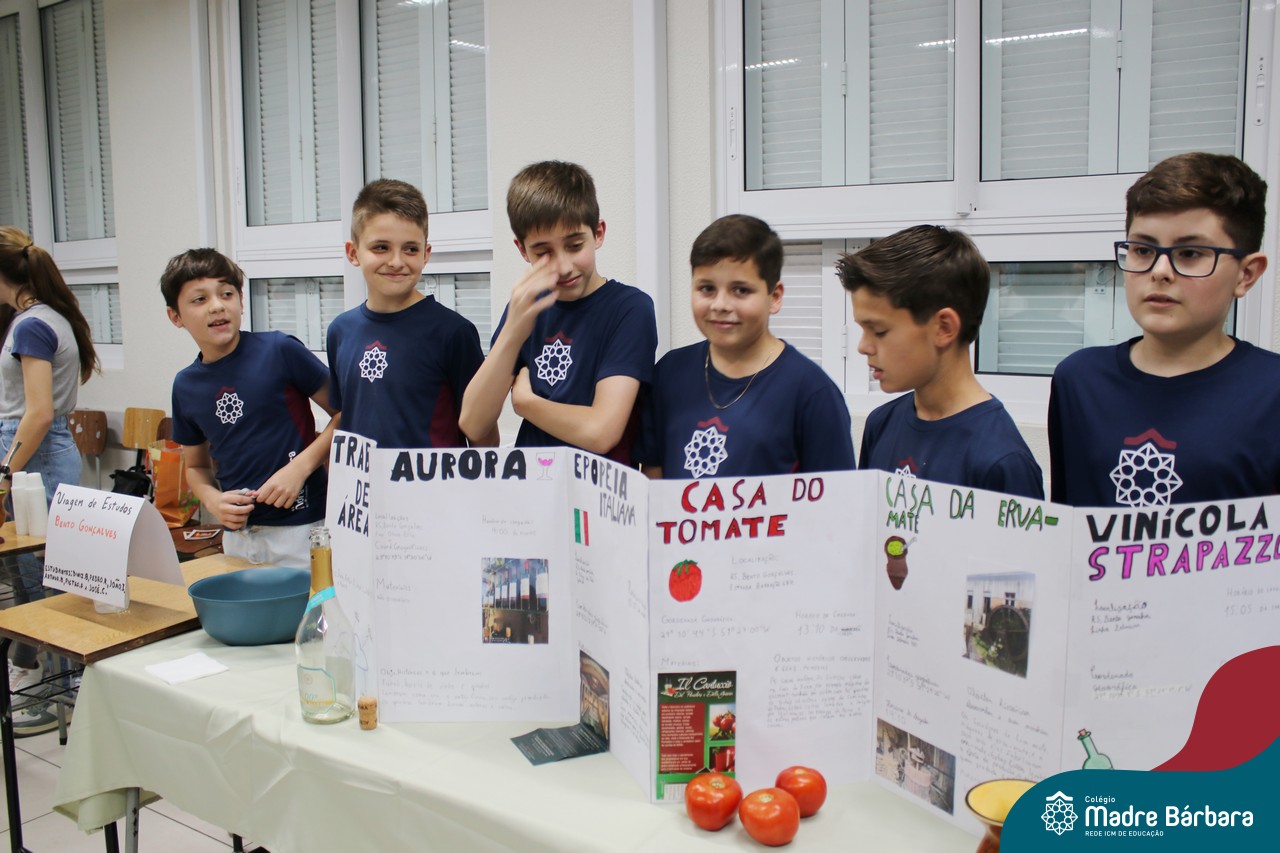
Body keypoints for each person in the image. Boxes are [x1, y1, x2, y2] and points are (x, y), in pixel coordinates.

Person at [1049, 152, 1276, 507]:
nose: (1160, 271)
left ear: (1246, 274)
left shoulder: (1272, 393)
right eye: (1142, 250)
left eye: (1190, 253)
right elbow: (1069, 520)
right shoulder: (1078, 381)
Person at [458, 161, 657, 462]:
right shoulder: (526, 307)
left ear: (598, 233)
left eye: (574, 246)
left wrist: (526, 403)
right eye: (543, 252)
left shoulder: (630, 308)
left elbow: (601, 432)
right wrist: (513, 331)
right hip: (531, 484)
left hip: (597, 487)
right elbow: (473, 423)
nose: (563, 267)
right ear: (522, 250)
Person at [635, 214, 854, 478]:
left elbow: (837, 498)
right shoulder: (669, 373)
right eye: (707, 288)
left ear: (774, 297)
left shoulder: (813, 394)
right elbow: (653, 480)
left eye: (741, 290)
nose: (720, 305)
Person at [838, 225, 1043, 499]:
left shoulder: (1002, 462)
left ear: (944, 328)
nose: (863, 347)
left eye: (879, 331)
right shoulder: (881, 424)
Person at [164, 248, 335, 567]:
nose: (217, 305)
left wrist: (300, 468)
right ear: (176, 316)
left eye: (226, 293)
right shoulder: (185, 386)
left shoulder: (279, 350)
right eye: (199, 299)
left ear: (241, 301)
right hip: (238, 538)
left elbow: (346, 413)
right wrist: (213, 500)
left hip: (305, 529)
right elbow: (196, 467)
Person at [0, 226, 99, 735]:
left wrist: (4, 474)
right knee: (47, 574)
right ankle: (56, 684)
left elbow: (37, 414)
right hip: (43, 452)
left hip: (34, 455)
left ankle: (49, 689)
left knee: (41, 578)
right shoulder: (47, 317)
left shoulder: (32, 325)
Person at [327, 178, 494, 447]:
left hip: (434, 476)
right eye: (381, 247)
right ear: (353, 252)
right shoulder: (340, 331)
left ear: (425, 254)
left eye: (410, 249)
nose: (396, 262)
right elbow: (346, 416)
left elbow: (484, 439)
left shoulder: (453, 333)